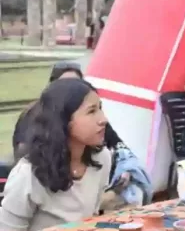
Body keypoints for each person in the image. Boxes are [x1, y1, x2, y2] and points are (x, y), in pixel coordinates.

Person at [11, 62, 149, 210]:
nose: (103, 119)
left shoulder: (101, 155)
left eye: (78, 83)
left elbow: (118, 145)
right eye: (66, 85)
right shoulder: (28, 174)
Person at [0, 78, 112, 231]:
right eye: (91, 111)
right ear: (64, 120)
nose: (103, 119)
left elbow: (90, 219)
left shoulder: (102, 158)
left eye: (100, 108)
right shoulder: (28, 175)